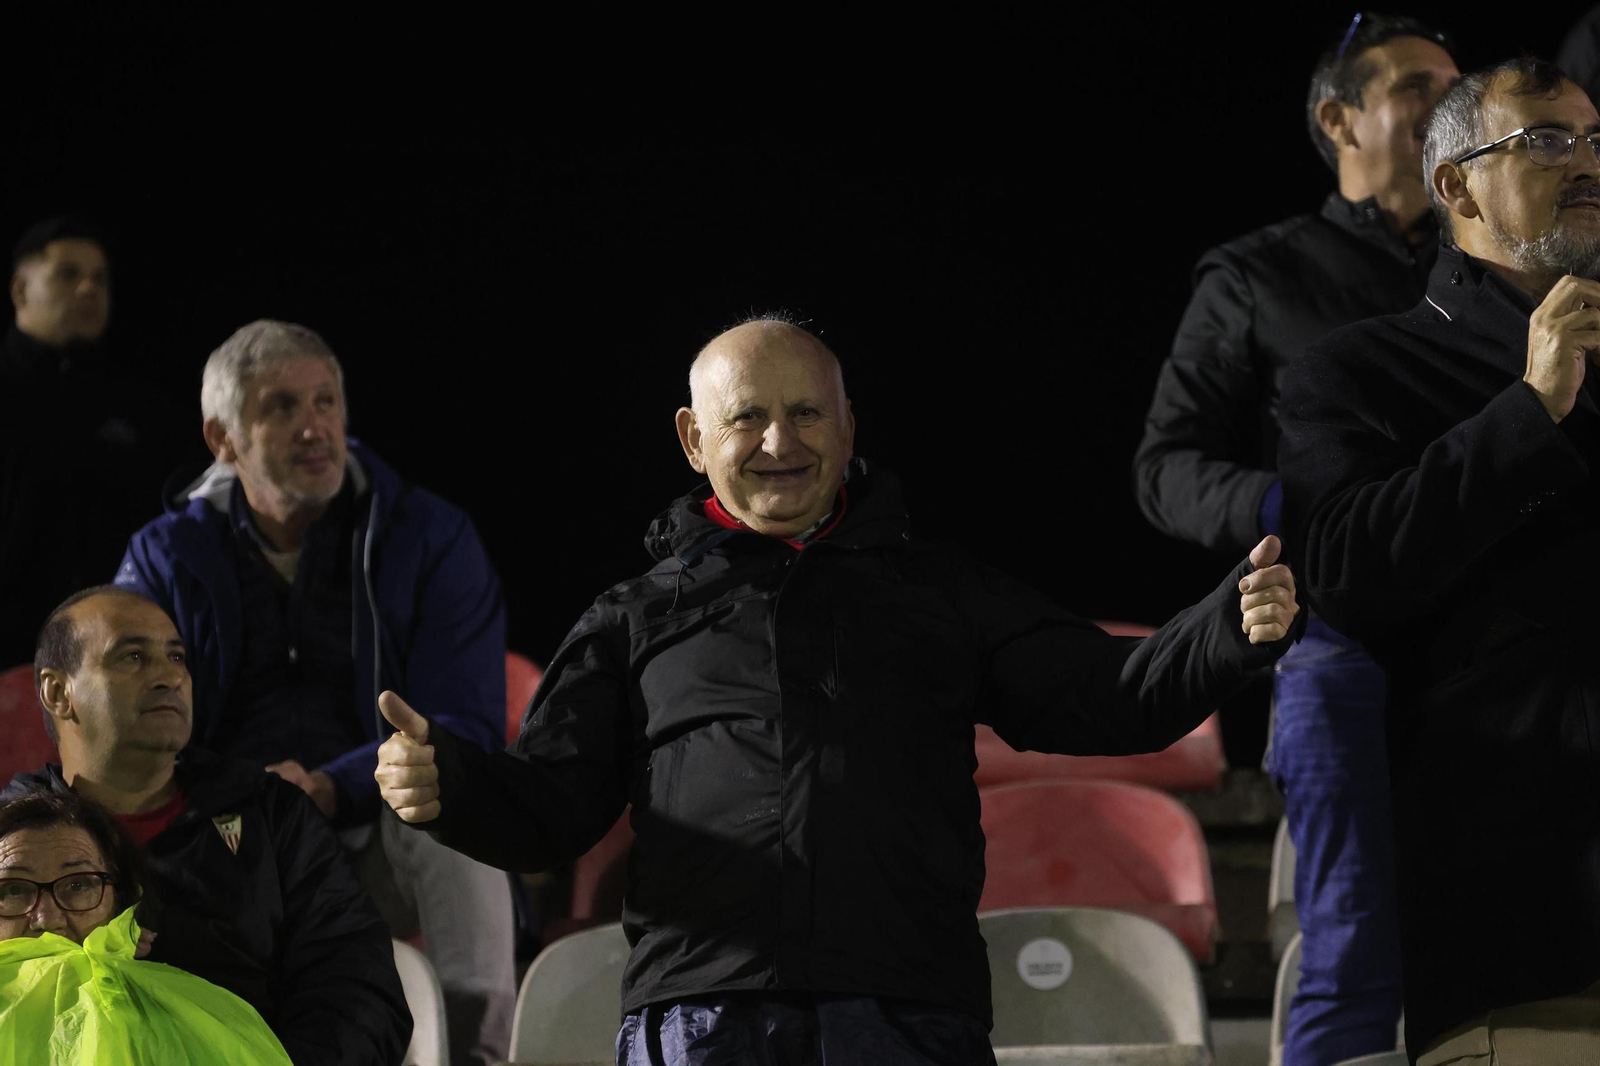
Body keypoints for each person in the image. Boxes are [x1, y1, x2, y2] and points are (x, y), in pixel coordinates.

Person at [372, 317, 1302, 1065]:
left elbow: (1113, 693)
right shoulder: (629, 619)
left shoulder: (943, 593)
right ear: (695, 440)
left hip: (903, 1015)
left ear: (849, 427)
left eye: (807, 415)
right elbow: (552, 807)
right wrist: (450, 784)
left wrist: (1225, 624)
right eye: (746, 419)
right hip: (696, 1018)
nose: (780, 441)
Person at [1132, 15, 1457, 1063]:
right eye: (1415, 86)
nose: (1445, 105)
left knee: (1517, 946)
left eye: (1458, 88)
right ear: (1337, 117)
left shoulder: (1498, 272)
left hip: (1499, 649)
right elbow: (1165, 470)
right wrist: (1305, 510)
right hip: (1341, 642)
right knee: (1354, 945)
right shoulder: (1257, 275)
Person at [1278, 57, 1600, 1065]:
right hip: (1534, 935)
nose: (1585, 164)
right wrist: (1528, 411)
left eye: (1596, 141)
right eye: (1546, 141)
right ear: (1454, 183)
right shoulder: (1359, 370)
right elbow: (1344, 570)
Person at [112, 319, 514, 1066]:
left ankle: (480, 1057)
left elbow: (465, 722)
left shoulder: (429, 536)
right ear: (222, 437)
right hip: (228, 846)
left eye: (326, 402)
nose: (314, 427)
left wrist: (333, 784)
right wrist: (239, 794)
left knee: (452, 796)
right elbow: (125, 720)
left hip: (370, 834)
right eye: (282, 408)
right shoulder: (165, 555)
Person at [0, 585, 410, 1066]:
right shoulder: (10, 844)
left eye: (176, 657)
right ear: (58, 691)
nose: (169, 677)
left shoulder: (270, 812)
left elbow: (357, 986)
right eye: (132, 656)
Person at [0, 217, 191, 667]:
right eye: (68, 274)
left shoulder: (144, 412)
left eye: (100, 278)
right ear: (20, 290)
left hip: (114, 664)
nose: (89, 288)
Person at [0, 790, 294, 1066]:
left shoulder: (204, 1013)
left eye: (78, 885)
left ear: (121, 901)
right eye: (12, 890)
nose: (48, 919)